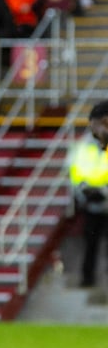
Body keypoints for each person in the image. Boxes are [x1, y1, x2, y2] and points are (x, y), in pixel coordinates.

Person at [69, 101, 108, 288]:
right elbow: (75, 171)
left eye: (95, 124)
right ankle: (87, 280)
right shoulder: (86, 144)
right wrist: (84, 192)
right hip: (92, 205)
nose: (92, 129)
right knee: (90, 244)